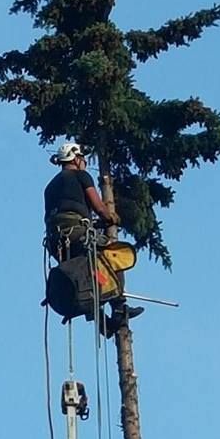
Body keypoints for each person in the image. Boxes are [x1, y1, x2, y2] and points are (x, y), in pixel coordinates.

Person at [44, 142, 143, 334]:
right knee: (111, 257)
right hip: (77, 234)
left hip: (58, 243)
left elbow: (65, 211)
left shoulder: (50, 187)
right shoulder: (81, 176)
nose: (84, 161)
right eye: (81, 157)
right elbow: (98, 206)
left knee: (87, 277)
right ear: (74, 158)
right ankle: (120, 308)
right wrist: (110, 217)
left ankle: (104, 324)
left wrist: (93, 223)